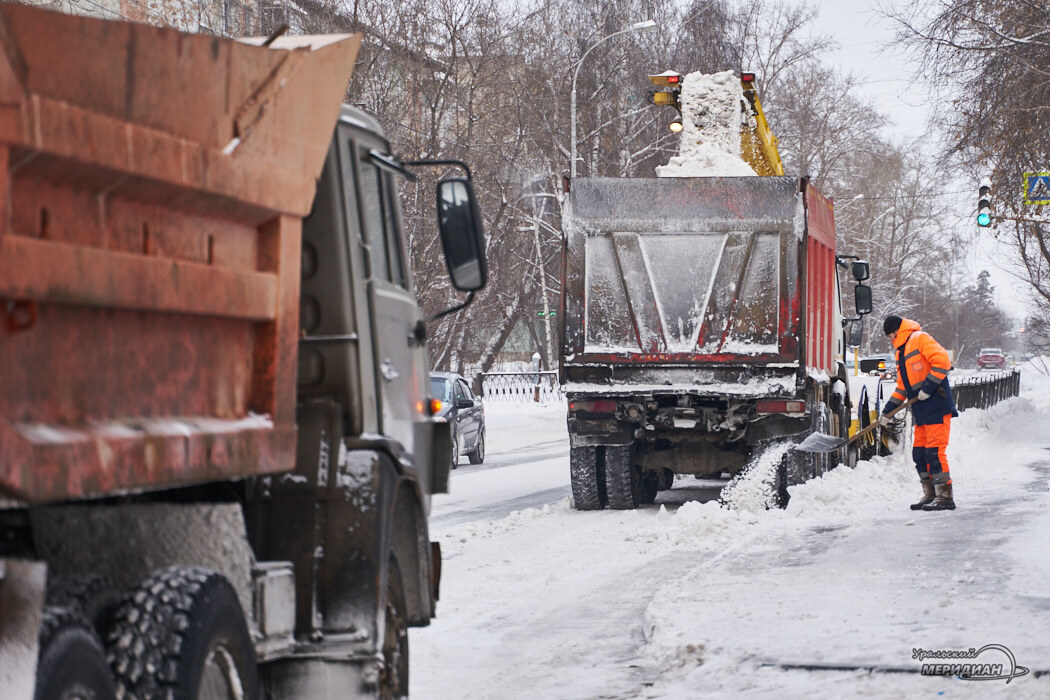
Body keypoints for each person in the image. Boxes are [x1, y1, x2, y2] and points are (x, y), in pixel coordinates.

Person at [879, 315, 959, 510]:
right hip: (921, 410)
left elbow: (942, 362)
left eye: (890, 336)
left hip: (937, 404)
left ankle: (945, 496)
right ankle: (930, 493)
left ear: (897, 331)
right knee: (920, 454)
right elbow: (902, 388)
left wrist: (928, 387)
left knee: (934, 452)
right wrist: (887, 412)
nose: (890, 340)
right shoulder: (901, 352)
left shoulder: (920, 338)